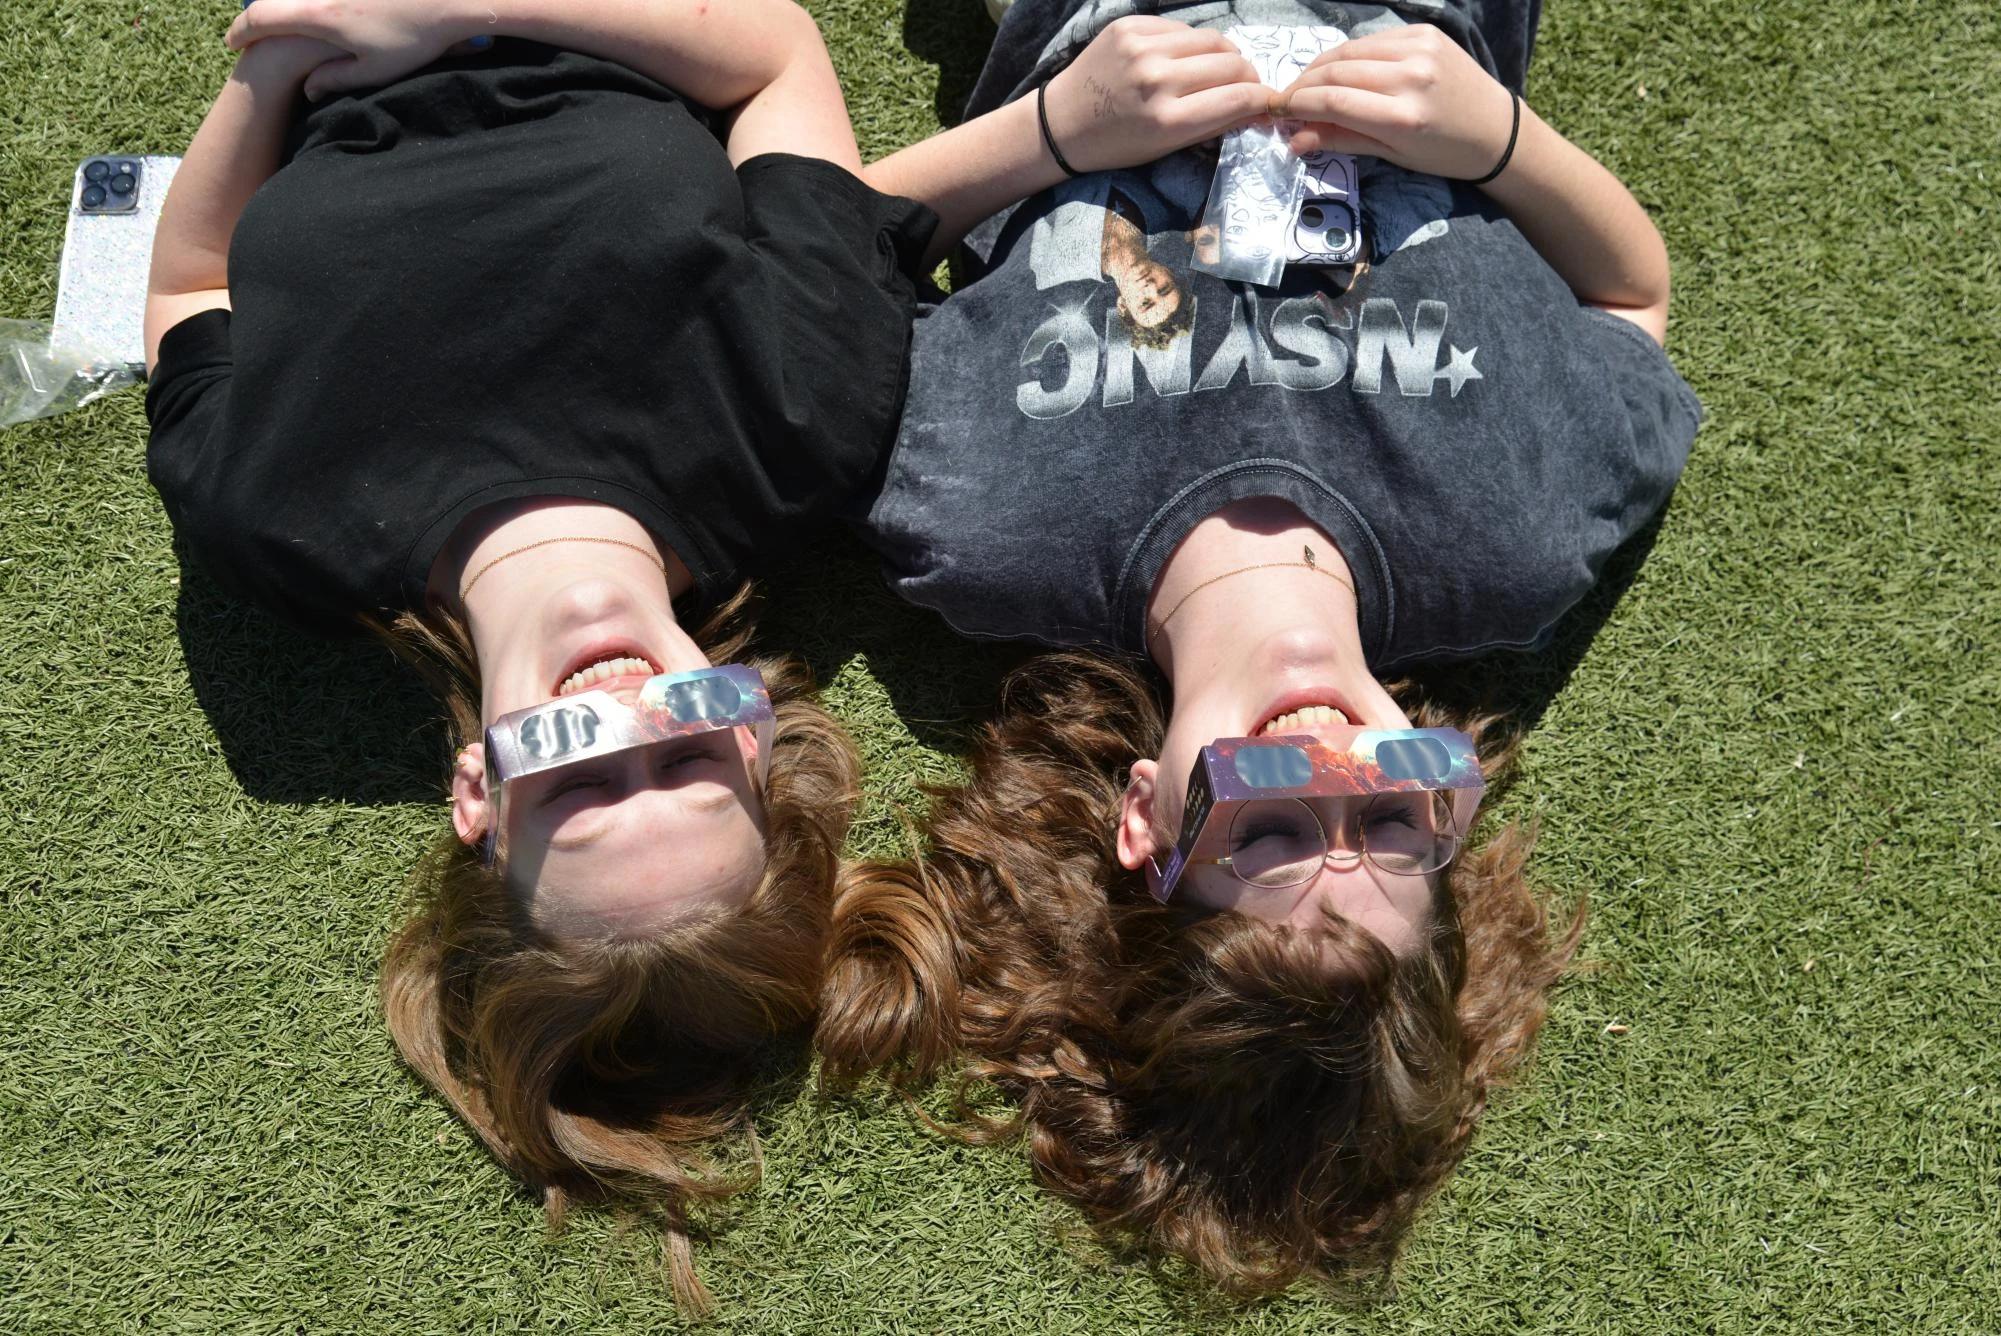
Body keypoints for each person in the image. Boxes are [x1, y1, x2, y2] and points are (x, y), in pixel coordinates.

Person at [821, 0, 1702, 1295]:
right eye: (1393, 824)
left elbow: (828, 254)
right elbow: (1633, 296)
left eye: (1271, 829)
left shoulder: (980, 520)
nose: (1330, 761)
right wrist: (1495, 137)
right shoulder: (1512, 536)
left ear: (1146, 822)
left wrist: (1057, 128)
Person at [142, 0, 933, 1310]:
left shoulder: (274, 528)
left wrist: (282, 67)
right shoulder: (799, 435)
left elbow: (186, 290)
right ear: (748, 728)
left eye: (574, 775)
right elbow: (776, 59)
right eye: (683, 755)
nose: (623, 713)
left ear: (477, 792)